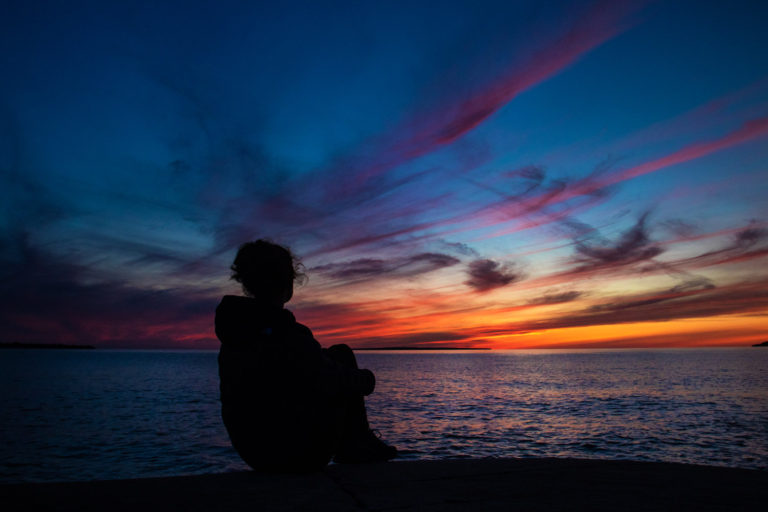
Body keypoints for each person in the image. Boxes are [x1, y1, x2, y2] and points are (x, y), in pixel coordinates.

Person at [215, 239, 397, 472]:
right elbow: (329, 378)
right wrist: (366, 380)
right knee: (342, 355)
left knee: (334, 357)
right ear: (287, 283)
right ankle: (356, 446)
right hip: (295, 453)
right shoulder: (287, 333)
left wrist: (320, 359)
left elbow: (295, 366)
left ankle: (357, 444)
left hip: (253, 451)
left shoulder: (235, 332)